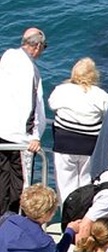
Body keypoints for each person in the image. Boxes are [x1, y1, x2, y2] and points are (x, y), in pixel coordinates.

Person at [48, 57, 108, 202]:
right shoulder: (101, 94)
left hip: (63, 144)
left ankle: (68, 219)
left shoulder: (61, 90)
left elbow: (52, 104)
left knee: (65, 186)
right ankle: (83, 218)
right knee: (85, 184)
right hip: (89, 146)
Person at [0, 28, 48, 214]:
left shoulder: (7, 57)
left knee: (3, 181)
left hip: (2, 131)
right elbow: (33, 105)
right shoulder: (31, 70)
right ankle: (14, 222)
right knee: (21, 184)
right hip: (19, 137)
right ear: (36, 46)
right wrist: (34, 135)